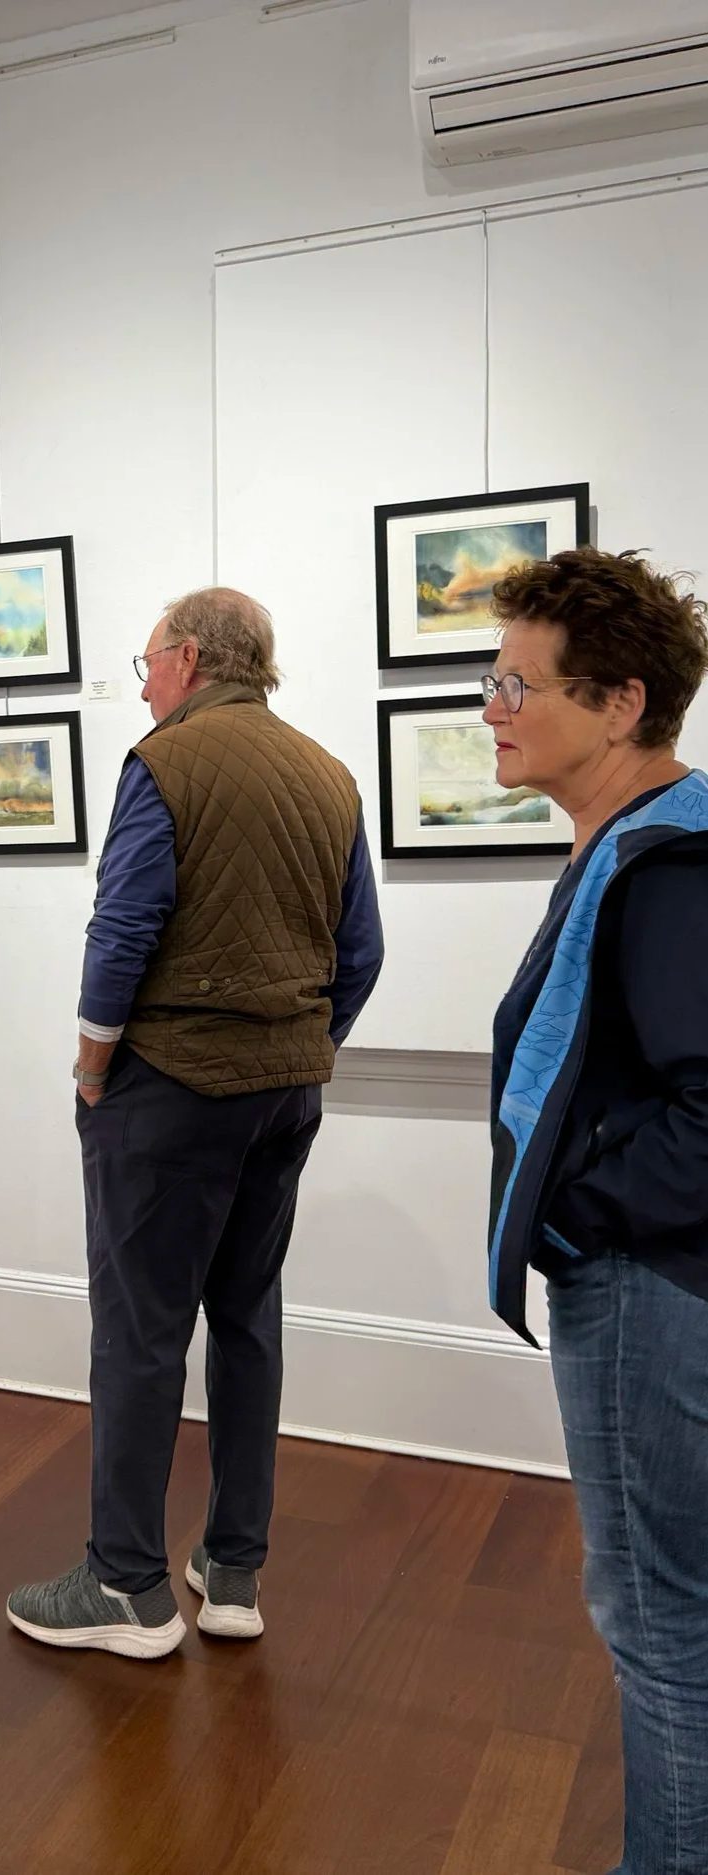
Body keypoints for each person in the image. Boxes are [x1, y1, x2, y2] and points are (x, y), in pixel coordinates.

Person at [7, 587, 383, 1659]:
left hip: (167, 1086)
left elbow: (120, 929)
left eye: (142, 665)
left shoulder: (162, 762)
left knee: (138, 1331)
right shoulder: (326, 773)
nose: (140, 686)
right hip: (282, 1091)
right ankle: (231, 1572)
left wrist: (90, 1065)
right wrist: (299, 1043)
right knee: (247, 1319)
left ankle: (123, 1587)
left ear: (181, 659)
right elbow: (358, 954)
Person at [483, 547, 708, 1875]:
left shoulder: (666, 868)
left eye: (517, 682)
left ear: (618, 702)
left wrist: (573, 1216)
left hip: (648, 1290)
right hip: (657, 1277)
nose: (492, 706)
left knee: (656, 1613)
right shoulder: (639, 845)